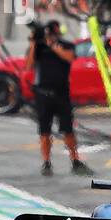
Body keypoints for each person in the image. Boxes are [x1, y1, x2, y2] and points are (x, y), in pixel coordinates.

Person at [24, 20, 90, 176]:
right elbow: (28, 65)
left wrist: (53, 46)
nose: (51, 36)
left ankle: (75, 160)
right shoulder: (38, 48)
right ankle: (46, 162)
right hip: (43, 95)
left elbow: (70, 58)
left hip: (61, 94)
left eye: (53, 34)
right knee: (44, 131)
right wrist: (34, 43)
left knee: (68, 130)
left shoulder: (66, 45)